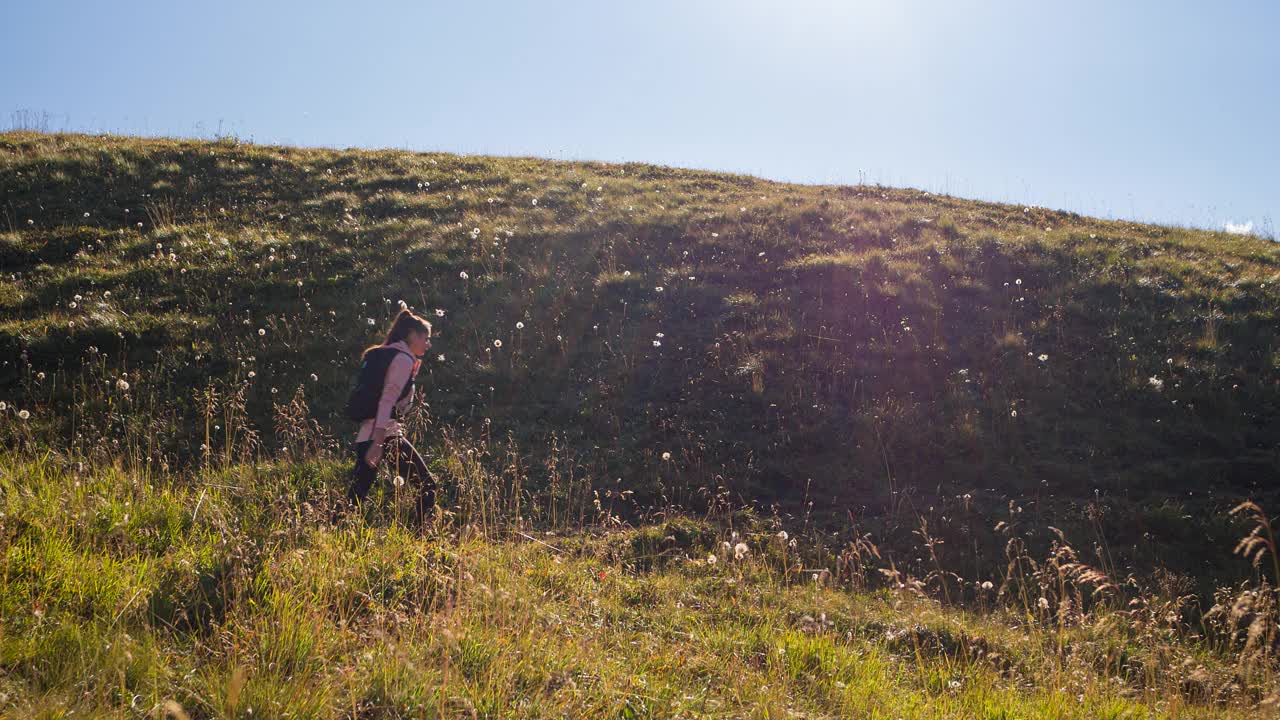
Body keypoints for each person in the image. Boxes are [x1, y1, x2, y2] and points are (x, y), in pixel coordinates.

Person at [345, 309, 436, 523]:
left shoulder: (387, 354)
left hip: (367, 435)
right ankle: (422, 538)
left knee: (357, 494)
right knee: (427, 485)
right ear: (412, 335)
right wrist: (378, 443)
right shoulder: (403, 359)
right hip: (385, 435)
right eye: (426, 338)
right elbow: (386, 401)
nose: (428, 344)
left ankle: (332, 533)